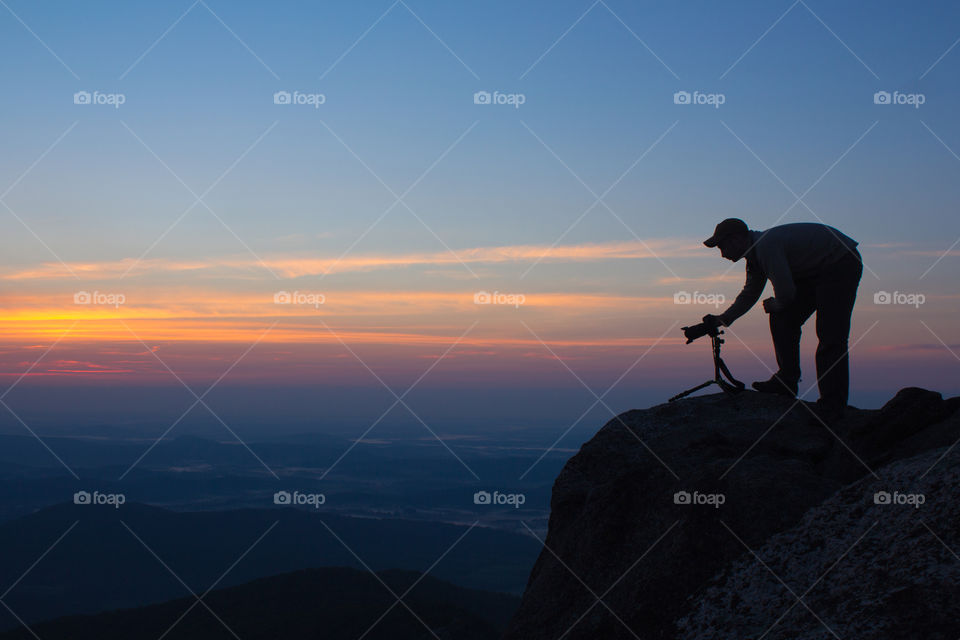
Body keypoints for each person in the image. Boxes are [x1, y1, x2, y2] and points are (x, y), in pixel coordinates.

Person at [699, 218, 862, 425]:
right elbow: (749, 294)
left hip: (840, 263)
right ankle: (787, 381)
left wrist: (776, 304)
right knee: (782, 318)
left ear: (738, 239)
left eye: (722, 246)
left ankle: (832, 406)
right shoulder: (756, 256)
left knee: (830, 336)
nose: (722, 254)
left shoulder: (766, 246)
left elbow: (785, 293)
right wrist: (722, 319)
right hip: (813, 270)